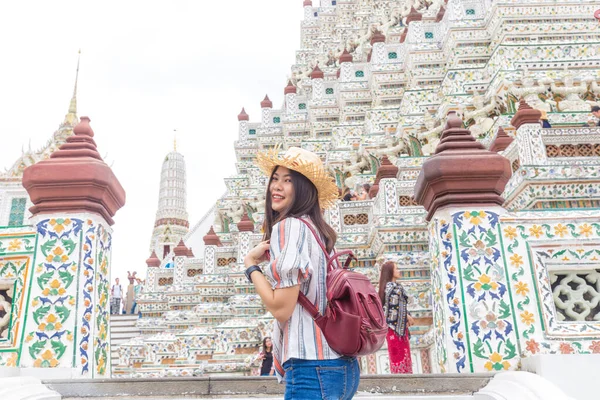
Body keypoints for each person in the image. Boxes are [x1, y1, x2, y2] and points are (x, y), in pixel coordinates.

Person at [244, 146, 360, 400]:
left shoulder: (289, 227)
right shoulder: (319, 231)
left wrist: (251, 266)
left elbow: (281, 308)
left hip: (312, 367)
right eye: (275, 178)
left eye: (288, 181)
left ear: (304, 188)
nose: (277, 186)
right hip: (344, 367)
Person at [378, 261, 415, 374]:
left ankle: (405, 380)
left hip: (399, 329)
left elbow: (399, 306)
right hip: (394, 328)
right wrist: (407, 316)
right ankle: (401, 381)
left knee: (402, 354)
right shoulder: (391, 289)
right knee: (398, 356)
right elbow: (392, 308)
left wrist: (406, 316)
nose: (399, 271)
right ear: (390, 272)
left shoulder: (395, 288)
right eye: (396, 269)